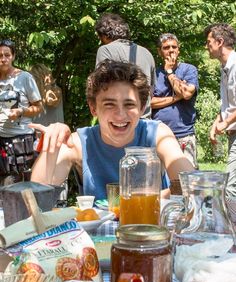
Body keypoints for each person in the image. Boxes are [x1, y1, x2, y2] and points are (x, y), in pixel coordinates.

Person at [30, 60, 194, 200]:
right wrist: (51, 147)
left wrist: (138, 202)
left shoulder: (157, 133)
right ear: (93, 108)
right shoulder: (80, 142)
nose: (120, 115)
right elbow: (36, 200)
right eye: (109, 104)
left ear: (142, 108)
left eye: (129, 104)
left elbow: (189, 185)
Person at [151, 33, 199, 169]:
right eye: (166, 47)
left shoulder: (189, 69)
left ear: (179, 49)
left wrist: (170, 72)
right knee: (160, 180)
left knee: (186, 180)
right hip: (159, 134)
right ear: (159, 51)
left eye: (174, 47)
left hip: (184, 134)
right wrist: (176, 98)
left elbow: (186, 93)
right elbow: (148, 102)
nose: (171, 50)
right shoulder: (154, 73)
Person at [95, 13, 156, 119]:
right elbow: (151, 91)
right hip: (144, 119)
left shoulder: (105, 50)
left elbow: (101, 86)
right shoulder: (147, 53)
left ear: (104, 36)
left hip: (120, 120)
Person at [0, 39, 42, 185]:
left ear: (13, 56)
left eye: (7, 55)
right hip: (1, 141)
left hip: (21, 141)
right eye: (0, 56)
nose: (3, 59)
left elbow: (38, 107)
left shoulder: (25, 78)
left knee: (22, 186)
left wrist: (21, 111)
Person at [205, 23, 236, 197]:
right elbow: (229, 103)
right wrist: (216, 123)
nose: (206, 46)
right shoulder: (224, 67)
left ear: (220, 42)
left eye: (209, 42)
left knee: (231, 188)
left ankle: (230, 224)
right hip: (233, 133)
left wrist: (225, 122)